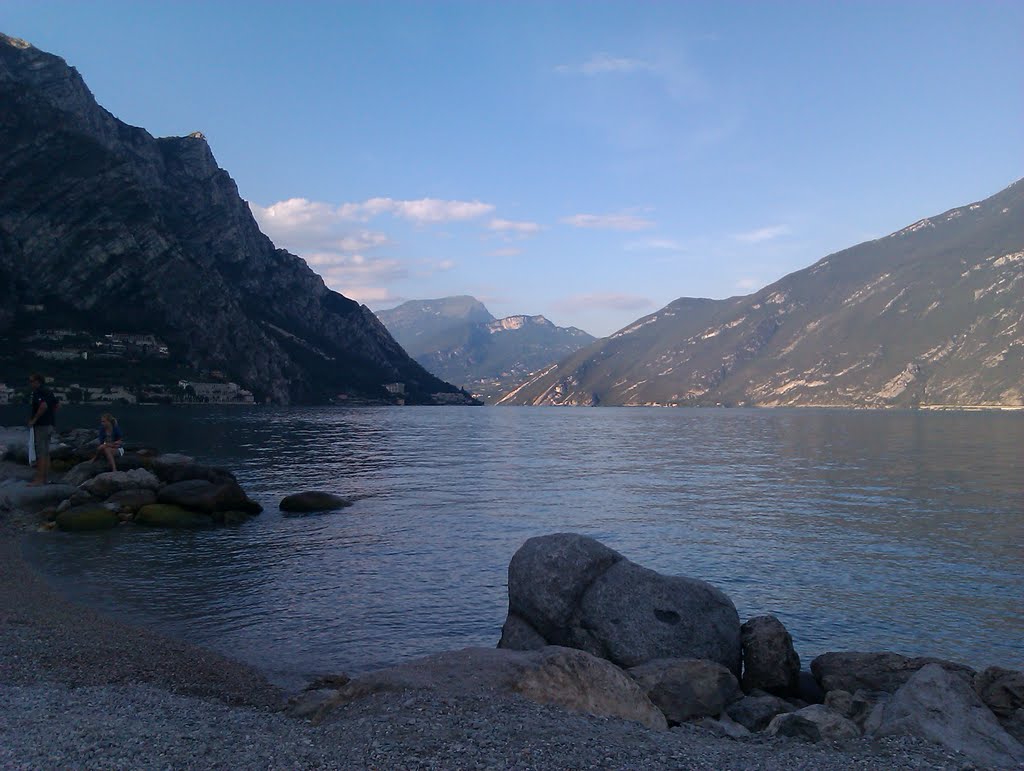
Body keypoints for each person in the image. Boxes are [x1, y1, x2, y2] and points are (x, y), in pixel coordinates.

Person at [27, 373, 57, 486]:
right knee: (46, 452)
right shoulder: (49, 391)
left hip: (41, 426)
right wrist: (50, 416)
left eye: (31, 381)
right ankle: (45, 478)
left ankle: (39, 479)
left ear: (37, 381)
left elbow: (43, 406)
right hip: (50, 425)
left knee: (40, 453)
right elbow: (57, 405)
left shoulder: (38, 392)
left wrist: (34, 420)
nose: (30, 383)